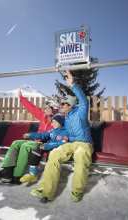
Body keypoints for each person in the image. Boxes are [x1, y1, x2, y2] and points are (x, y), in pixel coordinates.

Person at [30, 70, 93, 203]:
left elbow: (84, 102)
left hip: (84, 144)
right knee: (54, 154)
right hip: (70, 144)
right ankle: (46, 190)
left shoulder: (79, 113)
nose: (60, 106)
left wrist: (73, 85)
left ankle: (77, 189)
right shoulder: (66, 117)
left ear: (70, 105)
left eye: (63, 104)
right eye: (60, 104)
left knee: (81, 154)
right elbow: (54, 128)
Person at [0, 91, 58, 184]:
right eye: (45, 108)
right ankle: (7, 171)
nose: (44, 109)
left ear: (53, 110)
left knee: (25, 146)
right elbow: (32, 108)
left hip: (45, 144)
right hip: (36, 141)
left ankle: (17, 176)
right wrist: (21, 98)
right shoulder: (43, 116)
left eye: (47, 108)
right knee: (16, 143)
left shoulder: (57, 121)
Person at [19, 114, 69, 183]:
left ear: (60, 122)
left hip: (57, 149)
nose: (52, 124)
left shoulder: (65, 132)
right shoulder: (52, 131)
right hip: (48, 146)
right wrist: (31, 135)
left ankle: (50, 177)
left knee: (51, 154)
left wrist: (48, 146)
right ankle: (33, 174)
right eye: (52, 122)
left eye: (55, 122)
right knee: (37, 149)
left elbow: (62, 143)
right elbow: (42, 135)